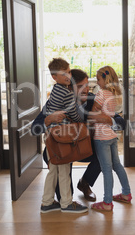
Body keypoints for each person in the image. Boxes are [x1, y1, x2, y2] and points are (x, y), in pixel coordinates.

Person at [31, 68, 126, 203]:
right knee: (64, 197)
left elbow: (122, 123)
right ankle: (64, 198)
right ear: (69, 88)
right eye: (81, 87)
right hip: (61, 150)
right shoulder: (56, 102)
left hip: (85, 147)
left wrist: (109, 120)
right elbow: (34, 128)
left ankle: (85, 183)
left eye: (87, 86)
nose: (86, 90)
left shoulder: (95, 99)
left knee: (104, 152)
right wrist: (48, 119)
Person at [39, 57, 87, 214]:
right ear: (54, 77)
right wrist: (80, 120)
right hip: (60, 136)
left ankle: (46, 202)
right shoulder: (65, 93)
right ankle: (66, 203)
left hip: (51, 135)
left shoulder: (55, 90)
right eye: (63, 74)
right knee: (64, 170)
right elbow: (74, 114)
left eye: (68, 72)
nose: (68, 76)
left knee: (53, 170)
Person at [90, 66, 132, 212]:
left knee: (106, 170)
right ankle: (126, 193)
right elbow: (110, 115)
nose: (97, 81)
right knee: (117, 166)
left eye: (98, 79)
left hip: (101, 137)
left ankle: (107, 202)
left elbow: (94, 114)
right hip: (112, 136)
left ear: (105, 79)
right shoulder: (113, 95)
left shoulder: (101, 94)